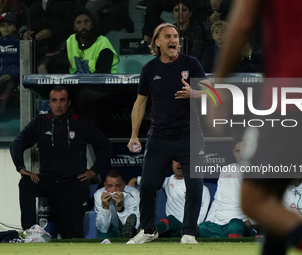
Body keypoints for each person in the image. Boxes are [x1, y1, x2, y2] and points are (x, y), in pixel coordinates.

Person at [215, 0, 302, 254]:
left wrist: (217, 86)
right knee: (272, 200)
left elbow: (241, 23)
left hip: (293, 88)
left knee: (252, 201)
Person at [126, 23, 208, 244]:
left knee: (194, 186)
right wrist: (134, 135)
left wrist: (194, 92)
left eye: (176, 36)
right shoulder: (149, 69)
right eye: (168, 37)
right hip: (159, 137)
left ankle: (189, 233)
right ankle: (148, 230)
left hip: (189, 136)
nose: (174, 40)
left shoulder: (191, 63)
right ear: (157, 43)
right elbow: (140, 102)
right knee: (148, 185)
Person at [10, 85, 112, 239]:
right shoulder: (40, 121)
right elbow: (17, 143)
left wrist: (93, 170)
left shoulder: (81, 123)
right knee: (26, 184)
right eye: (54, 100)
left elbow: (105, 146)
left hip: (73, 182)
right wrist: (20, 167)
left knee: (73, 234)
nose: (58, 104)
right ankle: (30, 232)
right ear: (49, 102)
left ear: (69, 102)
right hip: (48, 180)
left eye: (62, 100)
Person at [129, 160, 210, 238]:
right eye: (176, 161)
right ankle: (138, 232)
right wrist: (133, 180)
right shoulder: (168, 181)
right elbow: (149, 180)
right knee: (167, 222)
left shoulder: (202, 189)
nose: (178, 164)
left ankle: (139, 233)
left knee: (170, 220)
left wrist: (189, 229)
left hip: (187, 228)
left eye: (181, 160)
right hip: (170, 228)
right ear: (172, 164)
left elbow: (201, 214)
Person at [198, 138, 257, 238]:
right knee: (203, 227)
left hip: (240, 222)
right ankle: (228, 235)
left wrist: (251, 221)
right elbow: (218, 200)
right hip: (220, 223)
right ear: (234, 153)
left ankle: (237, 234)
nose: (241, 154)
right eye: (238, 151)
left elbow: (263, 203)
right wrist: (209, 219)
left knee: (235, 224)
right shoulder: (226, 169)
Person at [43, 8, 119, 74]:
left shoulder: (103, 43)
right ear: (74, 27)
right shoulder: (70, 41)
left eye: (86, 21)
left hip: (102, 87)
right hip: (77, 86)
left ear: (92, 24)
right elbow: (60, 68)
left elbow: (102, 75)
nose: (83, 26)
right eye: (78, 22)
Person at [94, 169, 140, 238]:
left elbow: (134, 227)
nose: (114, 190)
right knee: (102, 238)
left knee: (132, 235)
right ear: (105, 186)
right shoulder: (99, 194)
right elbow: (103, 229)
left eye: (118, 186)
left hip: (132, 232)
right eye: (110, 186)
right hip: (112, 229)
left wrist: (120, 208)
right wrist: (105, 207)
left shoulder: (134, 194)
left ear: (123, 185)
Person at [0, 12, 19, 99]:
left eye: (9, 24)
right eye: (2, 25)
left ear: (14, 27)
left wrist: (11, 75)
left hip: (12, 80)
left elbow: (25, 66)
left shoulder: (19, 44)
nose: (6, 27)